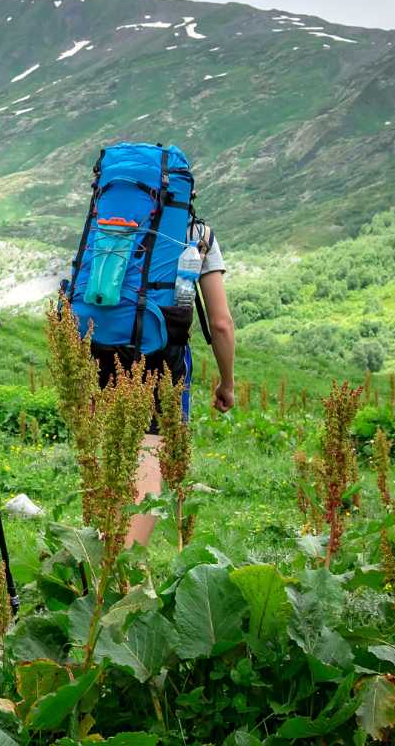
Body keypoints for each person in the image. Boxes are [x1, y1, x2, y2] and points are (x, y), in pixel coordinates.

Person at [122, 219, 237, 546]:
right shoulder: (197, 234)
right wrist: (227, 383)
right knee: (148, 465)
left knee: (114, 461)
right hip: (162, 356)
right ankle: (120, 574)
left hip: (103, 349)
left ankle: (100, 563)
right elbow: (221, 323)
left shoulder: (113, 216)